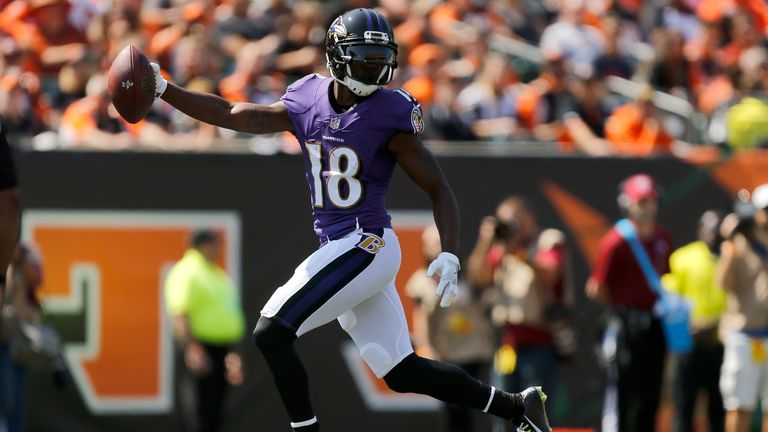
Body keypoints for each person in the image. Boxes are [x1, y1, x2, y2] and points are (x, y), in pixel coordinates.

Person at [150, 8, 551, 432]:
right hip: (343, 247)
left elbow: (439, 188)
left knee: (272, 330)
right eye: (364, 57)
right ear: (337, 58)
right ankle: (515, 407)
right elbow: (235, 114)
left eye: (381, 58)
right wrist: (164, 89)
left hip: (367, 243)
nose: (375, 67)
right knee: (400, 371)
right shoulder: (306, 97)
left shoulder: (390, 113)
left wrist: (451, 252)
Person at [467, 196, 571, 432]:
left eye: (515, 220)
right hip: (507, 346)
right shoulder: (501, 248)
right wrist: (486, 241)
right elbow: (478, 278)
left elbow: (551, 274)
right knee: (501, 412)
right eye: (505, 221)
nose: (511, 226)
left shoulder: (547, 240)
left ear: (530, 218)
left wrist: (520, 253)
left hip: (540, 344)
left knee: (537, 414)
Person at [586, 174, 673, 432]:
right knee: (622, 393)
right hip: (626, 326)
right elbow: (596, 288)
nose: (646, 207)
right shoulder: (616, 240)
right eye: (641, 201)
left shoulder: (663, 238)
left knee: (652, 392)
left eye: (651, 201)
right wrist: (622, 309)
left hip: (657, 324)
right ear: (628, 203)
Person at [406, 225, 494, 432]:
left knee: (477, 408)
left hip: (474, 352)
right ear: (425, 248)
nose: (439, 246)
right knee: (455, 411)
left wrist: (486, 239)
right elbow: (421, 319)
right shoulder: (421, 282)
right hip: (447, 356)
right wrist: (425, 348)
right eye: (434, 243)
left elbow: (480, 273)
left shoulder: (465, 274)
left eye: (443, 241)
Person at [164, 229, 245, 432]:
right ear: (202, 246)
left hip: (222, 351)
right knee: (197, 412)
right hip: (200, 348)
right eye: (213, 244)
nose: (218, 248)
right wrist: (192, 348)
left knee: (214, 412)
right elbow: (180, 313)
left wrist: (233, 351)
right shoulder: (187, 272)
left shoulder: (216, 274)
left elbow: (229, 316)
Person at [662, 210, 727, 432]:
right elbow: (669, 299)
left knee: (719, 408)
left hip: (722, 344)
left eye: (717, 227)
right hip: (688, 346)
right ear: (699, 229)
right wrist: (686, 331)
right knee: (684, 405)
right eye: (707, 227)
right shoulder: (682, 258)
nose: (712, 233)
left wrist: (718, 324)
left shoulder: (733, 257)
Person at [717, 185, 768, 432]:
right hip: (745, 335)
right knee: (740, 405)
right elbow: (723, 284)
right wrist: (728, 242)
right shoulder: (738, 243)